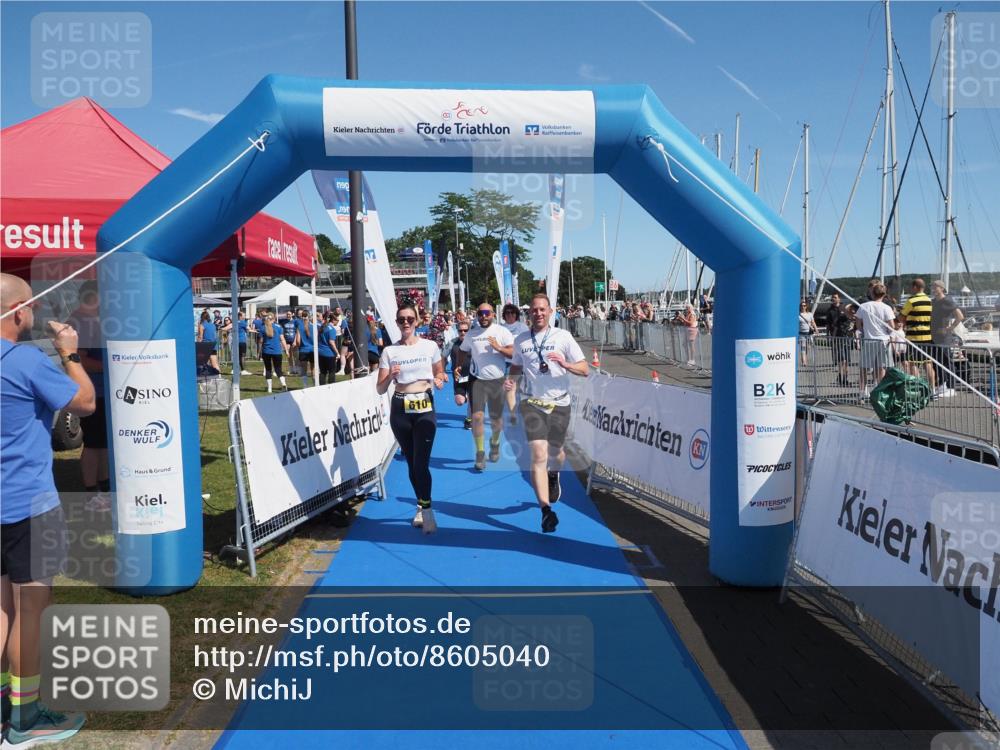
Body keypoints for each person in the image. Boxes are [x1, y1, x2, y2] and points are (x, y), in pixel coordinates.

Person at [2, 273, 95, 746]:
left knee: (2, 609)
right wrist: (70, 353)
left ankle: (6, 704)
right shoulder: (24, 360)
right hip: (28, 503)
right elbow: (84, 402)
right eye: (32, 306)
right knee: (32, 610)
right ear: (19, 312)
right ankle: (26, 718)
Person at [504, 294, 588, 533]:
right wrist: (511, 382)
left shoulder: (564, 337)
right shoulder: (521, 340)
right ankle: (545, 511)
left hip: (560, 403)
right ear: (528, 313)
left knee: (556, 453)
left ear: (551, 311)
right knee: (538, 454)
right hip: (532, 404)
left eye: (542, 310)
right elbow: (517, 366)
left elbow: (584, 369)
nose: (538, 313)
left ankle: (554, 474)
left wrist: (567, 364)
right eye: (534, 310)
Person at [376, 303, 447, 534]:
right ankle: (420, 504)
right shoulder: (389, 351)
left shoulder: (429, 346)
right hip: (401, 408)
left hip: (424, 406)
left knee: (421, 463)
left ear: (417, 321)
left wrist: (439, 379)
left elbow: (439, 371)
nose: (405, 323)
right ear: (396, 323)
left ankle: (426, 511)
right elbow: (379, 388)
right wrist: (391, 377)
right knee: (411, 461)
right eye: (401, 320)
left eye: (409, 319)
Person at [66, 282, 111, 512]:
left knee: (102, 443)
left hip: (102, 391)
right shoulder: (80, 322)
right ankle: (92, 493)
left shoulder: (93, 321)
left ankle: (104, 487)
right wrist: (111, 367)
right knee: (93, 444)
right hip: (93, 392)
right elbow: (79, 359)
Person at [461, 303, 515, 471]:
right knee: (476, 417)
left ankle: (495, 443)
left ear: (493, 314)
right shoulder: (472, 334)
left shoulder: (502, 332)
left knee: (496, 420)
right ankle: (480, 452)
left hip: (497, 380)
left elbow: (514, 353)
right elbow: (462, 350)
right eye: (480, 313)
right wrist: (458, 365)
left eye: (486, 313)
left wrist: (498, 348)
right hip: (477, 380)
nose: (483, 316)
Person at [855, 283, 896, 398]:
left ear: (872, 293)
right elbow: (891, 326)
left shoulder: (864, 306)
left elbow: (857, 321)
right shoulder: (887, 308)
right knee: (881, 368)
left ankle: (862, 392)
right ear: (884, 294)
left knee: (864, 367)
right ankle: (879, 391)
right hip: (883, 340)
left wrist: (862, 331)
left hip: (869, 339)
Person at [899, 278, 936, 393]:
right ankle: (933, 390)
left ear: (915, 287)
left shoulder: (911, 301)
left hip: (914, 336)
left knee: (913, 363)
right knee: (928, 363)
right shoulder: (929, 301)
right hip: (927, 336)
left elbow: (901, 317)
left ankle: (919, 389)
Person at [929, 279, 964, 398]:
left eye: (935, 287)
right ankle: (942, 385)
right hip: (933, 335)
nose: (933, 289)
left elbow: (960, 316)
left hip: (944, 337)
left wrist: (950, 328)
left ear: (942, 288)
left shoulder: (948, 301)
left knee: (947, 361)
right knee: (937, 361)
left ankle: (951, 386)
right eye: (932, 287)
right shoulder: (933, 301)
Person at [500, 303, 529, 425]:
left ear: (517, 314)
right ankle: (513, 414)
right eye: (507, 313)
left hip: (522, 363)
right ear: (504, 315)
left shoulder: (522, 327)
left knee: (523, 390)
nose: (510, 315)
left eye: (513, 313)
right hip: (507, 363)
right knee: (510, 389)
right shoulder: (500, 328)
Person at [450, 321, 472, 429]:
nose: (463, 332)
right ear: (457, 331)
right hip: (460, 377)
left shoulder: (475, 343)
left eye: (465, 330)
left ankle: (469, 420)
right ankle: (465, 396)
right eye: (460, 330)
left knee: (473, 399)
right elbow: (443, 358)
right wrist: (440, 372)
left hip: (473, 376)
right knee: (459, 402)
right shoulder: (452, 343)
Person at [259, 312, 289, 393]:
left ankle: (269, 388)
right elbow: (282, 339)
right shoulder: (279, 327)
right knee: (278, 369)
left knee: (268, 370)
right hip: (277, 352)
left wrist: (259, 352)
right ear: (274, 319)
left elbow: (261, 342)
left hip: (266, 351)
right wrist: (286, 350)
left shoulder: (262, 328)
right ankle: (283, 384)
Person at [316, 312, 339, 386]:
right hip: (329, 353)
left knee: (323, 372)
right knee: (332, 371)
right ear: (333, 320)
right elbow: (331, 342)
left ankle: (322, 387)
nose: (337, 321)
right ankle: (331, 387)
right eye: (336, 320)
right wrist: (337, 353)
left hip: (320, 352)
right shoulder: (332, 329)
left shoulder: (322, 327)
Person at [295, 310, 315, 387]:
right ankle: (315, 385)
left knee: (304, 369)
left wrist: (299, 346)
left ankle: (305, 385)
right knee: (313, 369)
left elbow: (297, 341)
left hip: (303, 350)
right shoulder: (314, 326)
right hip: (313, 350)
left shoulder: (299, 327)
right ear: (309, 317)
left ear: (302, 317)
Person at [797, 300, 819, 366]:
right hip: (802, 333)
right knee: (803, 347)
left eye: (804, 305)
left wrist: (816, 329)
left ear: (806, 306)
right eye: (801, 306)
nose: (803, 307)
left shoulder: (810, 314)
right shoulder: (798, 315)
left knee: (809, 347)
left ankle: (807, 358)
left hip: (809, 333)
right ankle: (804, 361)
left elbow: (813, 322)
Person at [281, 311, 299, 375]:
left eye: (289, 314)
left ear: (292, 314)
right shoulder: (283, 322)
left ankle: (296, 369)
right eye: (287, 314)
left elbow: (297, 332)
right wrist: (284, 342)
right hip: (287, 340)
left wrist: (295, 341)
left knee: (295, 356)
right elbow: (282, 332)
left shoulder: (295, 321)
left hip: (293, 340)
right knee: (289, 355)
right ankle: (291, 369)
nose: (288, 315)